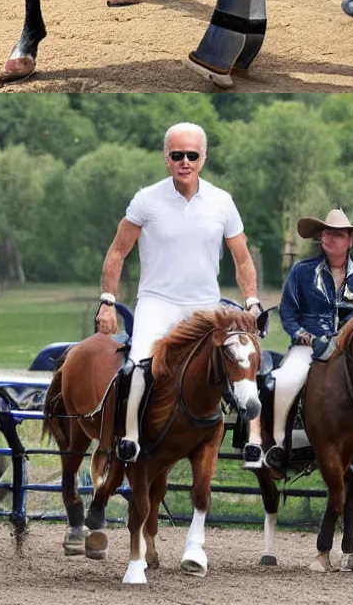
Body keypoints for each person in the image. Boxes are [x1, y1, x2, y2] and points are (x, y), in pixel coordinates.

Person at [95, 123, 265, 466]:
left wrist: (252, 302)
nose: (184, 161)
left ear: (202, 159)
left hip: (205, 305)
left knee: (244, 357)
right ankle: (129, 436)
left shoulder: (222, 202)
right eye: (177, 155)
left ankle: (254, 440)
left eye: (192, 155)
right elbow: (117, 252)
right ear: (166, 160)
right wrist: (107, 301)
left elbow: (242, 257)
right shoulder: (146, 200)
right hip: (158, 301)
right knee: (138, 363)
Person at [259, 207, 353, 473]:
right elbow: (288, 313)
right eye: (326, 234)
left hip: (352, 351)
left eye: (337, 235)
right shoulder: (301, 272)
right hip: (308, 346)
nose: (329, 238)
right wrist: (305, 336)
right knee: (285, 379)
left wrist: (348, 339)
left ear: (350, 240)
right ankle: (279, 443)